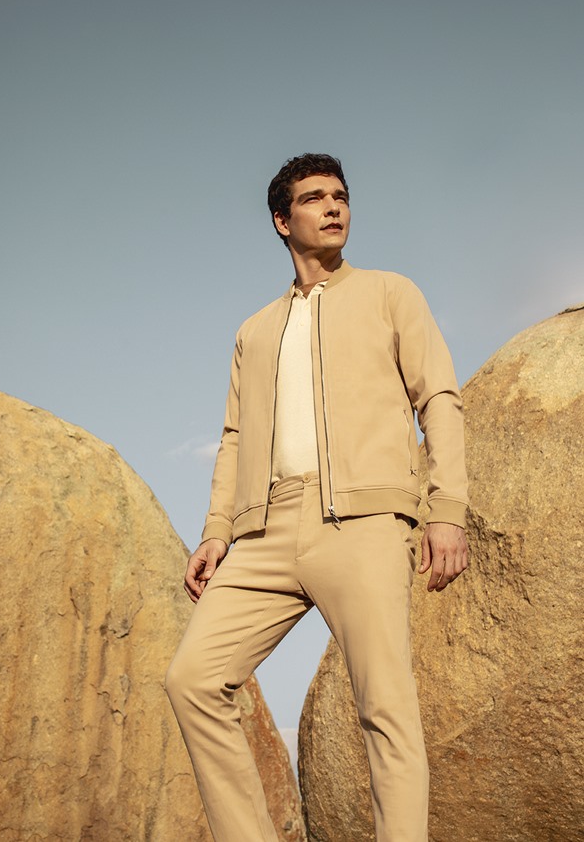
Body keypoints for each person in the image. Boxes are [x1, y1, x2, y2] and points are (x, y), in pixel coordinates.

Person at [166, 153, 469, 842]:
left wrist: (446, 509)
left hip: (363, 525)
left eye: (341, 196)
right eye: (314, 198)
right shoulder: (254, 331)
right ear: (282, 220)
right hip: (267, 532)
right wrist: (217, 531)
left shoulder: (392, 293)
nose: (333, 207)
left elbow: (440, 400)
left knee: (385, 711)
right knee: (192, 680)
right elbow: (237, 436)